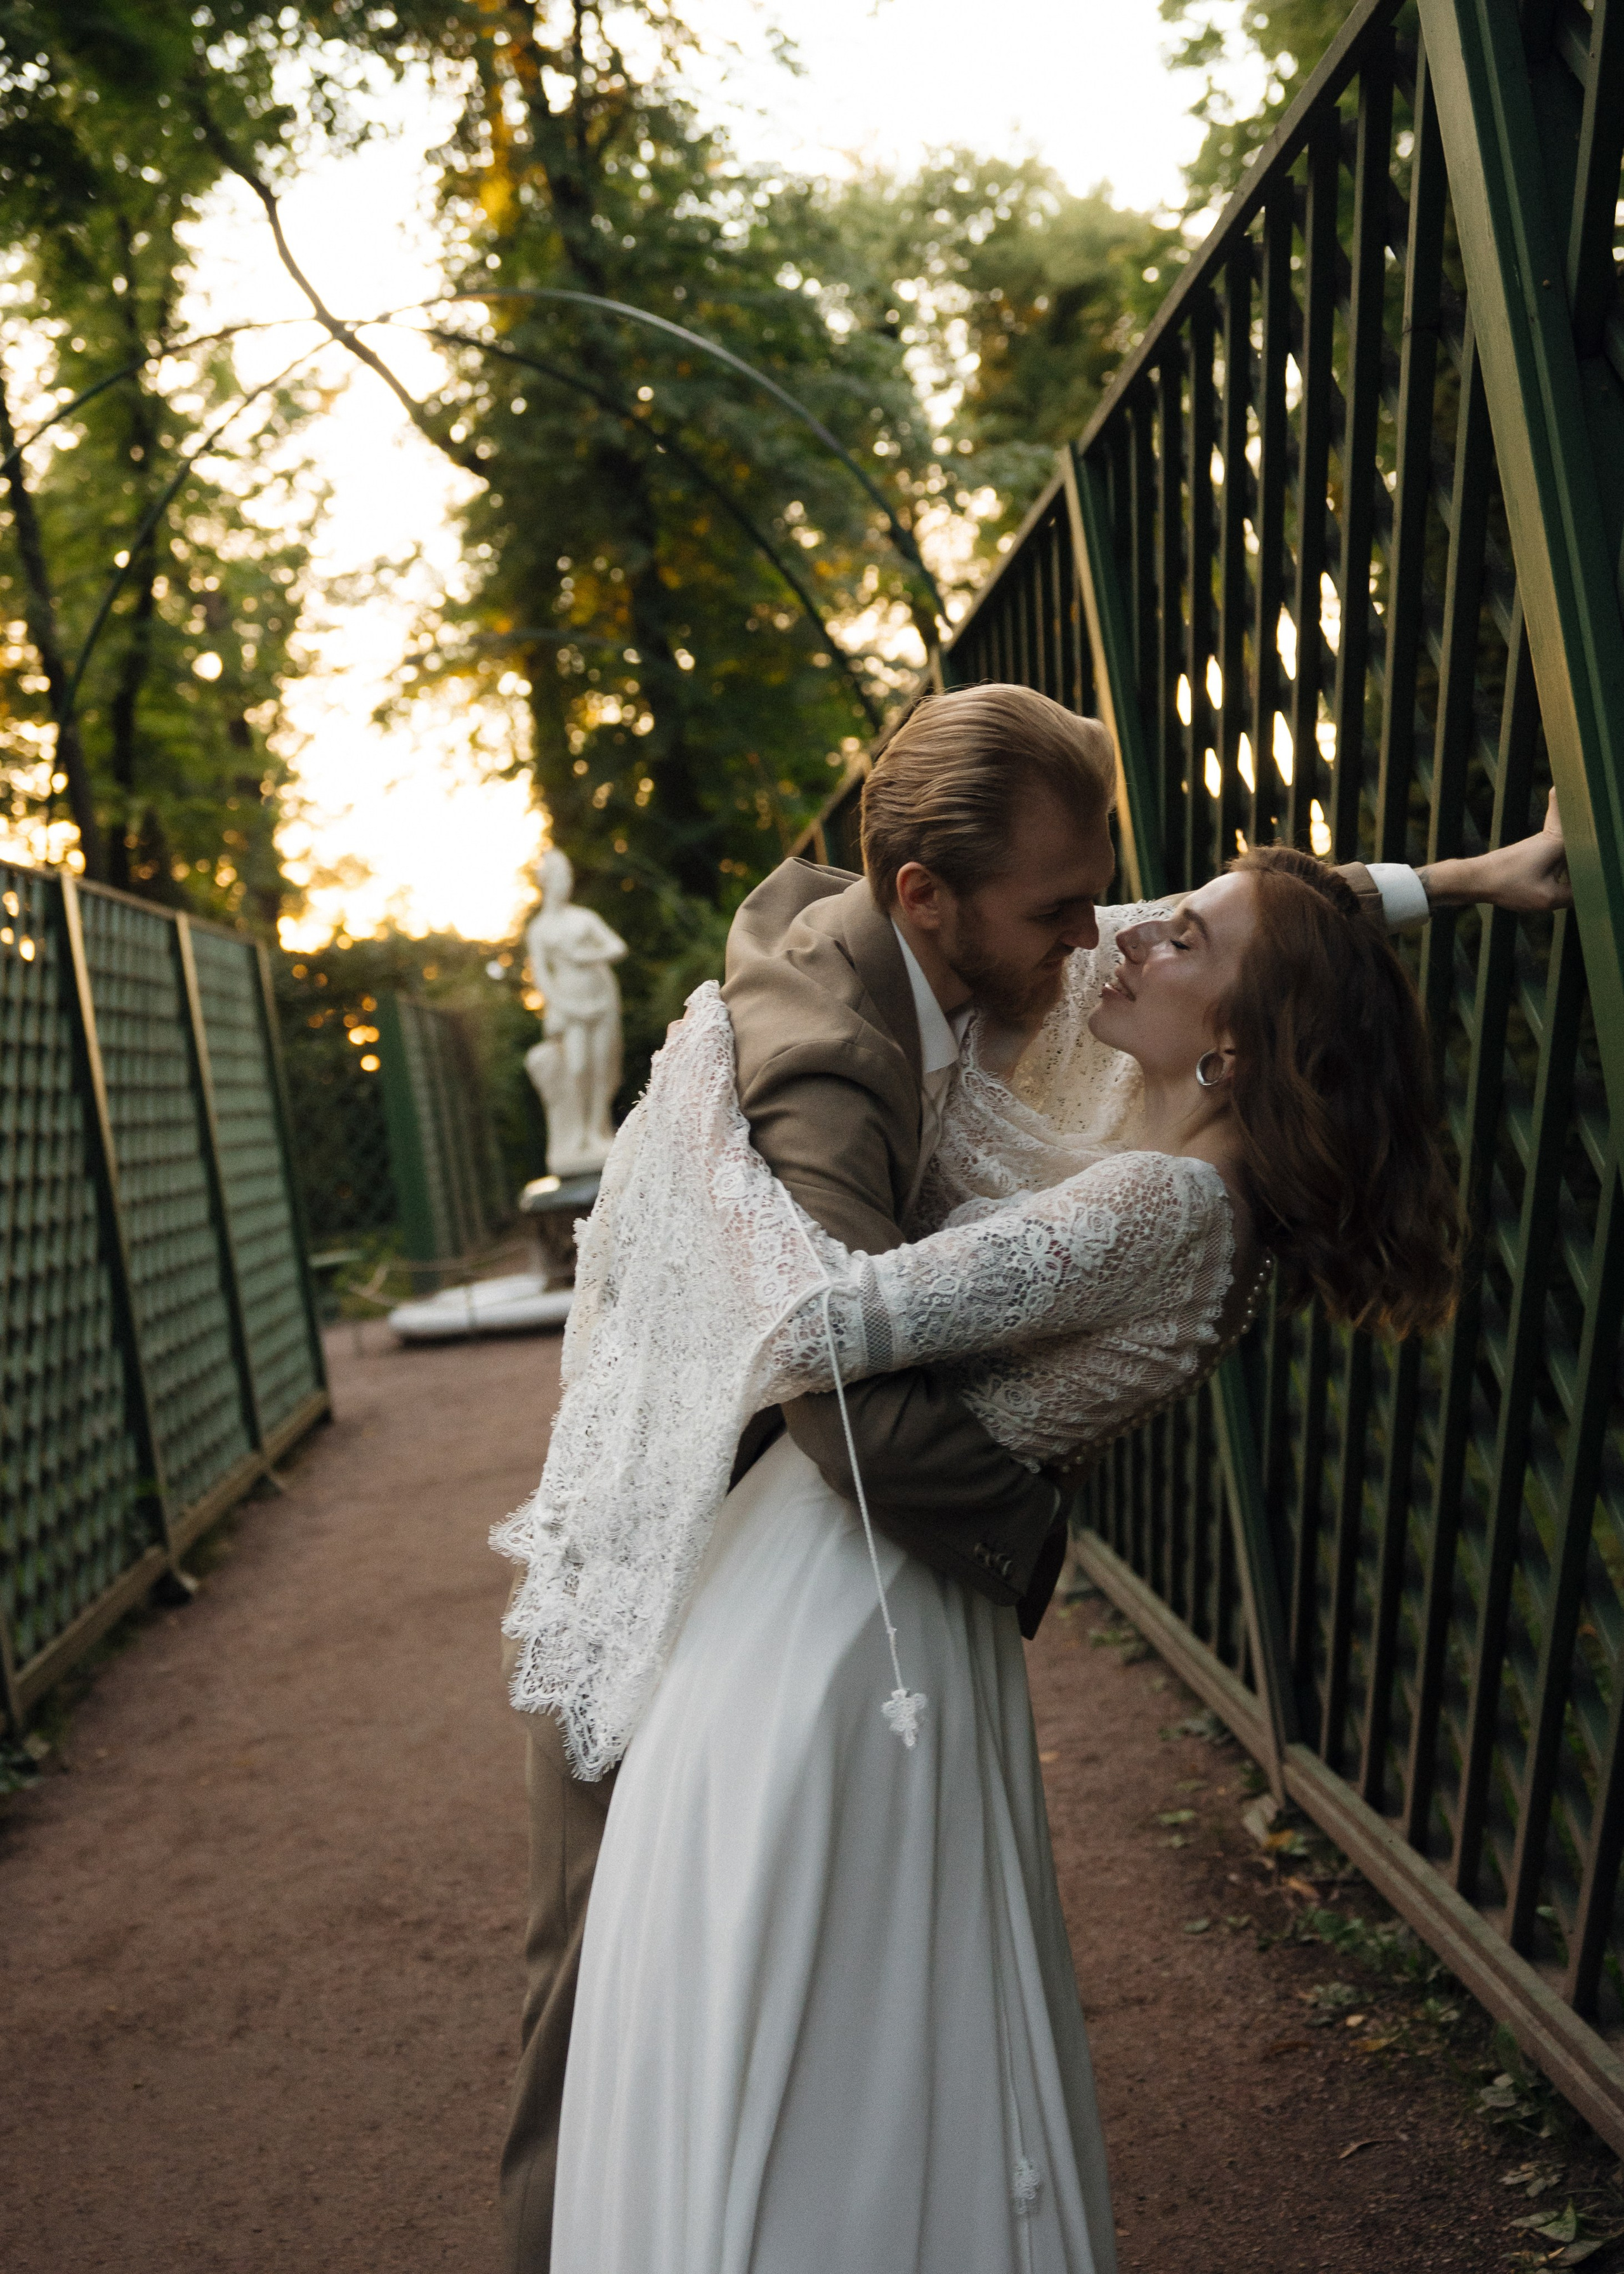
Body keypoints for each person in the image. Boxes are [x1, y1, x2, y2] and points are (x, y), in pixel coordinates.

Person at [497, 686, 1571, 2271]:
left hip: (835, 1599)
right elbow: (1252, 946)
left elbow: (823, 1315)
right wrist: (1474, 878)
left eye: (1140, 922)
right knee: (726, 1992)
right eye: (1077, 911)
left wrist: (695, 1102)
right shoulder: (972, 1065)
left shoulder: (1139, 1162)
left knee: (804, 1999)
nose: (1106, 940)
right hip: (772, 1555)